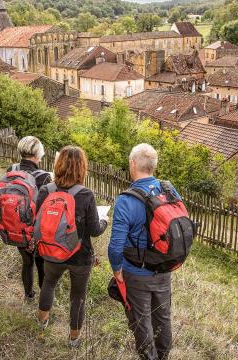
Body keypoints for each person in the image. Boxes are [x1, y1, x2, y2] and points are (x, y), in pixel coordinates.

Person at [108, 143, 180, 360]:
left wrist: (117, 269)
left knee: (141, 321)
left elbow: (116, 245)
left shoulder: (126, 199)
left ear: (132, 164)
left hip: (136, 272)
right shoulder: (169, 190)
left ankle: (149, 357)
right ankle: (164, 355)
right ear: (153, 166)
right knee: (163, 317)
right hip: (164, 268)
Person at [36, 146, 108, 348]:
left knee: (48, 283)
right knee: (78, 296)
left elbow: (38, 220)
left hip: (51, 251)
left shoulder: (46, 190)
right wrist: (105, 221)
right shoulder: (85, 195)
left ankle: (42, 322)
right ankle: (74, 338)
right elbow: (94, 230)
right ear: (82, 168)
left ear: (58, 164)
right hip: (80, 256)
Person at [7, 136, 52, 302]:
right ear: (38, 154)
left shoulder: (11, 169)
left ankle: (28, 295)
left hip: (16, 226)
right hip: (36, 229)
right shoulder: (43, 176)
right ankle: (44, 300)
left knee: (27, 262)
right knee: (41, 263)